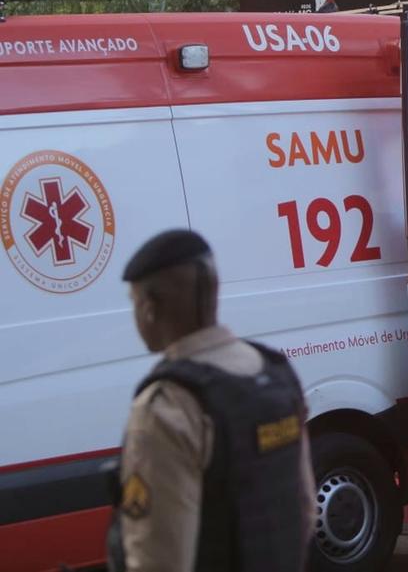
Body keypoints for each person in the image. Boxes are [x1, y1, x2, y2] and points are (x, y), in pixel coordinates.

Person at [107, 230, 314, 572]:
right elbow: (305, 511)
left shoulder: (167, 406)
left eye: (135, 302)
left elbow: (159, 561)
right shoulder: (275, 373)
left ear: (149, 308)